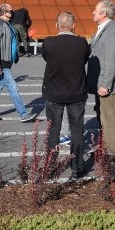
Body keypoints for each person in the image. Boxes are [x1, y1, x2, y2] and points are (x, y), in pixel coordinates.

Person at [41, 12, 90, 179]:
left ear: (57, 25)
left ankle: (50, 166)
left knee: (52, 131)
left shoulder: (48, 43)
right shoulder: (82, 43)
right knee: (77, 130)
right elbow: (84, 60)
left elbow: (47, 59)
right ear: (73, 25)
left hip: (54, 92)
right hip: (76, 92)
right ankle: (77, 167)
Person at [0, 3, 36, 122]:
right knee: (13, 88)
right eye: (11, 11)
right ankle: (23, 114)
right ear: (3, 12)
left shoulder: (9, 24)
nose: (13, 13)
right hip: (1, 64)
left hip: (7, 62)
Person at [87, 0, 115, 157]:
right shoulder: (103, 28)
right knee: (103, 118)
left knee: (110, 120)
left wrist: (105, 84)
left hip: (106, 85)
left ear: (103, 13)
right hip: (100, 83)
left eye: (95, 10)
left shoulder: (111, 30)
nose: (93, 12)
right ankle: (106, 149)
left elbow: (112, 60)